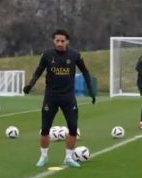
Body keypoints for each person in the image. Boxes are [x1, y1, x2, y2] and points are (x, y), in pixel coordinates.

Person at [23, 29, 96, 168]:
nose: (60, 43)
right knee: (45, 129)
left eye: (63, 41)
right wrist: (30, 85)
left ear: (67, 41)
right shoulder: (47, 55)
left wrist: (91, 90)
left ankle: (68, 158)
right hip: (51, 97)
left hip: (68, 97)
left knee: (73, 128)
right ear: (53, 41)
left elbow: (85, 72)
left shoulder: (74, 55)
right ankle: (43, 157)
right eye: (57, 41)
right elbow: (38, 71)